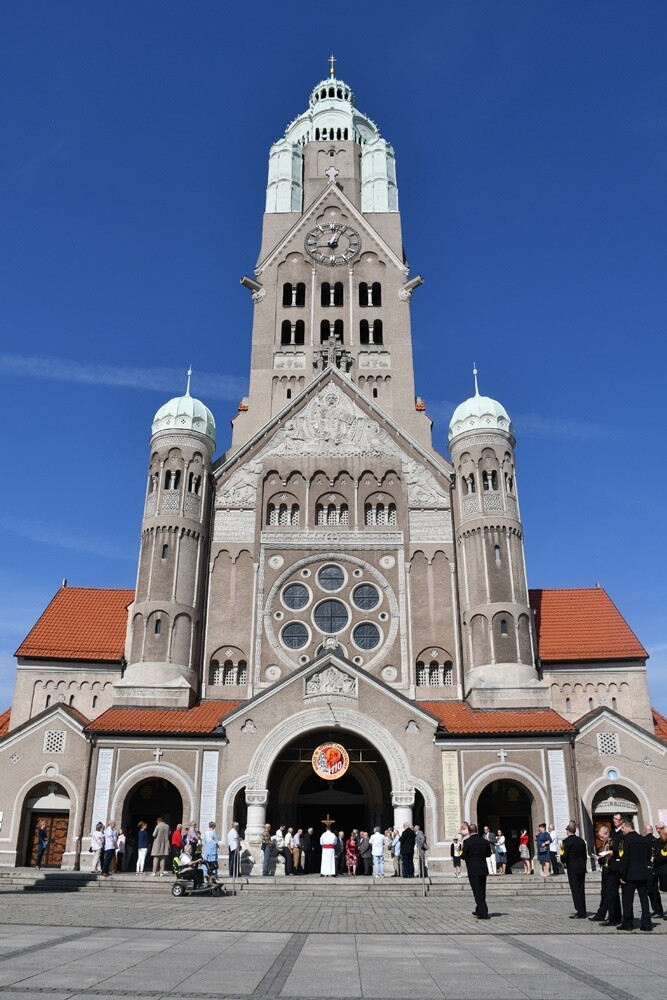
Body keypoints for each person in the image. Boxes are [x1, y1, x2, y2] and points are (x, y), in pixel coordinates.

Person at [617, 818, 653, 931]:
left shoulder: (626, 840)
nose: (621, 830)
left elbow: (625, 858)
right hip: (643, 873)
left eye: (622, 827)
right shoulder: (643, 839)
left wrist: (622, 875)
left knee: (627, 899)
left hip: (630, 874)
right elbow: (648, 856)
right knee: (644, 898)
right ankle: (646, 924)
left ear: (628, 827)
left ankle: (627, 923)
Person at [462, 822, 492, 919]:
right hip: (483, 868)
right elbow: (488, 854)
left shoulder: (467, 842)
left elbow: (463, 855)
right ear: (477, 830)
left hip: (472, 869)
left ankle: (483, 912)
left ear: (469, 831)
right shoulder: (484, 841)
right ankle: (479, 909)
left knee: (476, 890)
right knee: (482, 890)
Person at [561, 820, 587, 918]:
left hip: (572, 867)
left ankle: (579, 911)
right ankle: (583, 910)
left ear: (568, 831)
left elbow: (564, 855)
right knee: (581, 889)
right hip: (581, 867)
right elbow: (584, 855)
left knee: (575, 890)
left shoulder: (566, 841)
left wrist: (563, 861)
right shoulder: (581, 841)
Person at [604, 812, 625, 925]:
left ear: (622, 821)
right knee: (611, 893)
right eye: (614, 818)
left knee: (623, 894)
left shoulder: (623, 832)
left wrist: (614, 852)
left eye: (617, 819)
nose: (614, 820)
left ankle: (624, 917)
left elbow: (623, 848)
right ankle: (614, 917)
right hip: (612, 866)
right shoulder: (612, 832)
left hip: (620, 865)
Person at [589, 825, 613, 922]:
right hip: (605, 870)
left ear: (607, 834)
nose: (601, 839)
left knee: (608, 895)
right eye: (600, 837)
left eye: (602, 837)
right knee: (604, 894)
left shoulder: (610, 843)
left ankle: (606, 915)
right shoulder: (605, 843)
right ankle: (601, 914)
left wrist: (600, 859)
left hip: (609, 871)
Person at [643, 824, 664, 919]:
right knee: (655, 890)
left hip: (648, 868)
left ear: (644, 831)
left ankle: (657, 910)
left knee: (651, 891)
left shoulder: (644, 841)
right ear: (652, 830)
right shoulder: (657, 840)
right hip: (656, 868)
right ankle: (659, 910)